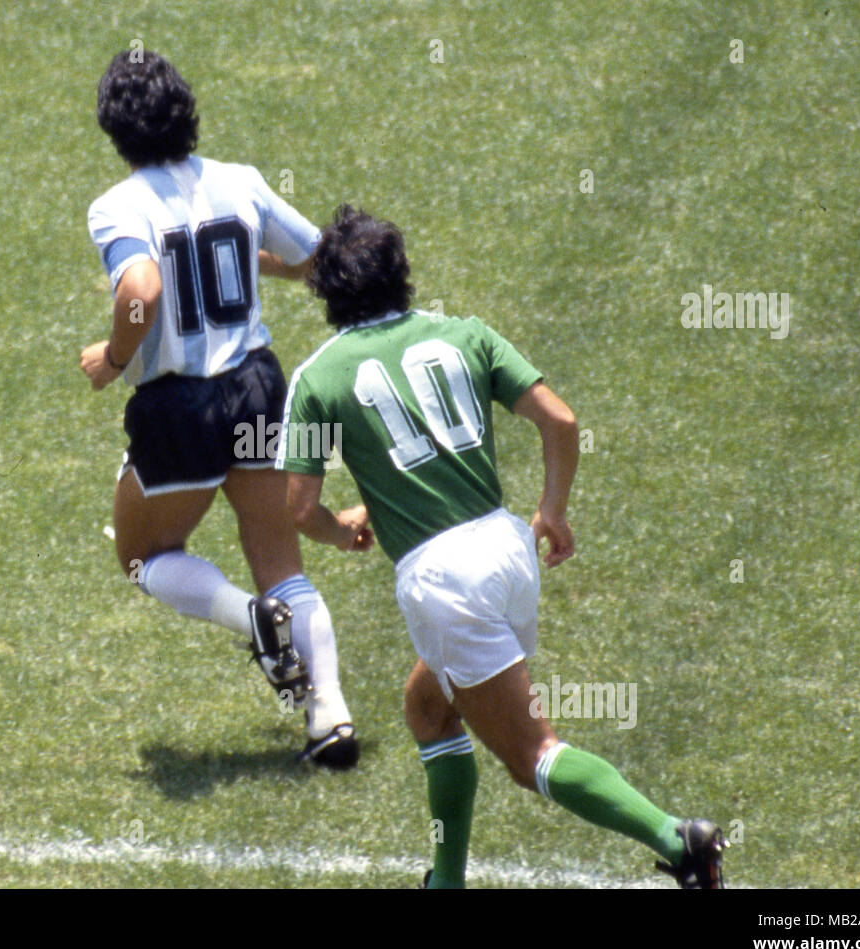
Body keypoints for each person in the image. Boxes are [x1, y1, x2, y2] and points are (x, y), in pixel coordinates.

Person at [277, 204, 728, 885]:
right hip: (508, 549)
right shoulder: (467, 335)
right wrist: (552, 510)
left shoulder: (317, 380)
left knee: (532, 756)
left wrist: (343, 532)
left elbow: (300, 508)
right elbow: (560, 420)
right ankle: (446, 880)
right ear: (401, 275)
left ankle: (677, 838)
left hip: (443, 580)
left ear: (326, 290)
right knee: (428, 706)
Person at [79, 50, 359, 768]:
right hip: (259, 386)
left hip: (179, 405)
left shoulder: (117, 205)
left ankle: (251, 621)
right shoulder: (240, 182)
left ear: (115, 130)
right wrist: (240, 256)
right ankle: (329, 714)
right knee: (280, 559)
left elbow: (141, 288)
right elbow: (312, 256)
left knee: (143, 556)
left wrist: (112, 360)